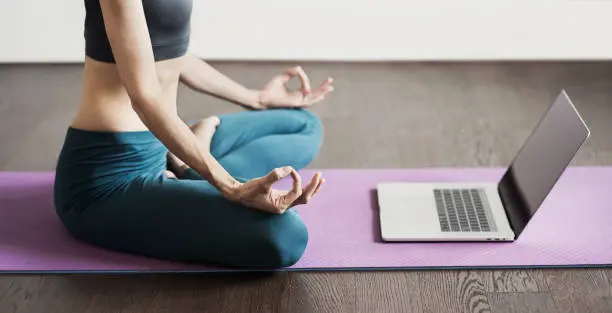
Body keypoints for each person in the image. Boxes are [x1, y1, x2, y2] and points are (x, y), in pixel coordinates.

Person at [52, 0, 334, 268]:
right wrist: (231, 186)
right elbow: (145, 98)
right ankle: (192, 167)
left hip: (161, 143)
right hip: (109, 178)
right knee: (286, 235)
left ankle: (186, 164)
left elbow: (173, 55)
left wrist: (256, 98)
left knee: (304, 124)